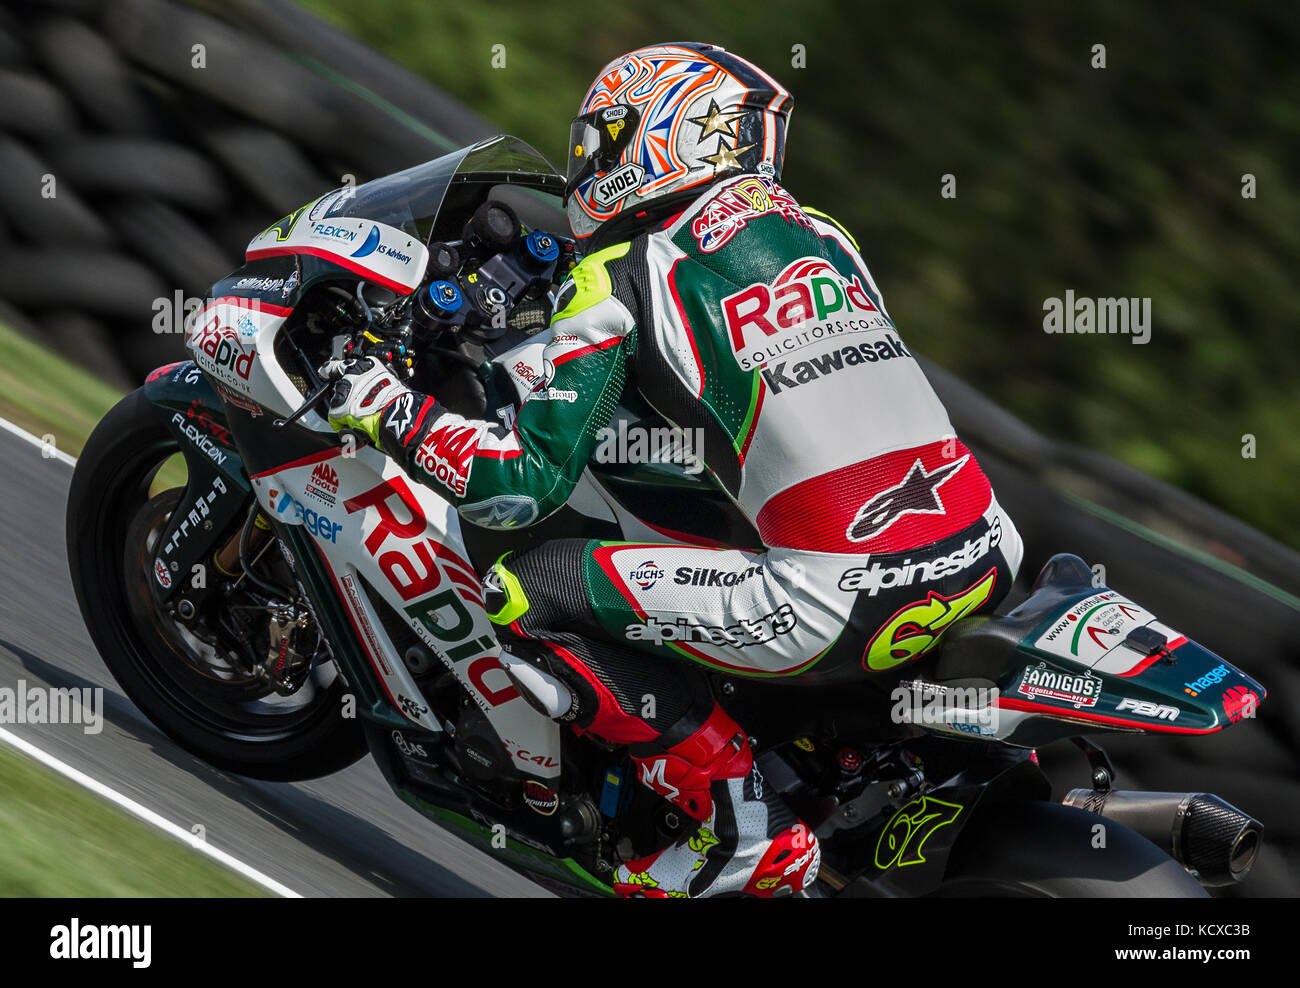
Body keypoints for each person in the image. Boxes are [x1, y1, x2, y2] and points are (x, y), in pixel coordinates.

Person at [327, 42, 1024, 897]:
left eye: (605, 140)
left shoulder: (618, 274)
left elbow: (520, 485)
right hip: (982, 549)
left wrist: (381, 402)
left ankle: (744, 825)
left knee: (524, 587)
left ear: (664, 137)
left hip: (834, 595)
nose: (591, 162)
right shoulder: (823, 236)